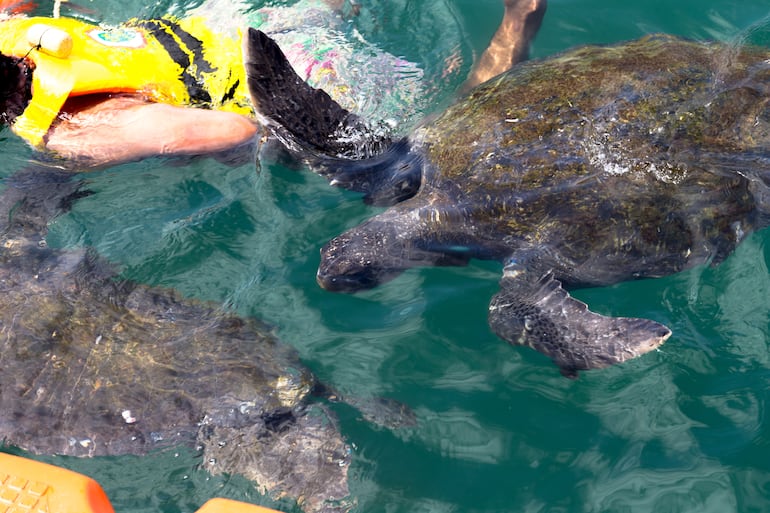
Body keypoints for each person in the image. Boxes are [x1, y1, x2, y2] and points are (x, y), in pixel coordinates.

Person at [0, 0, 546, 169]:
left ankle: (519, 21)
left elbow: (233, 130)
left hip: (297, 71)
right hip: (229, 20)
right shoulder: (11, 32)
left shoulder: (75, 130)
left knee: (439, 145)